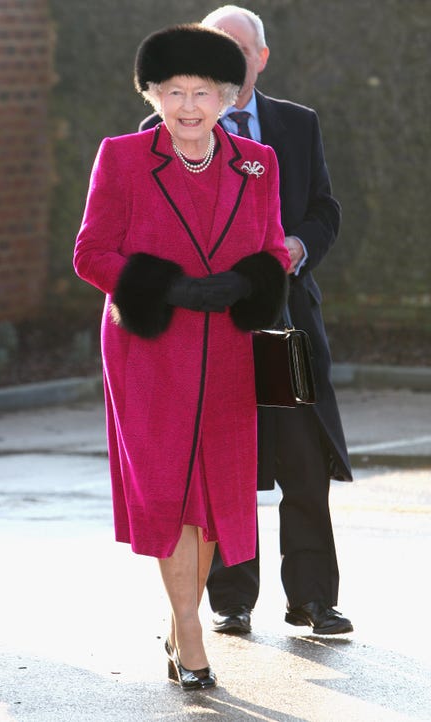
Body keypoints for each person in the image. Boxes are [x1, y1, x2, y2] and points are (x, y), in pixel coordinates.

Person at [73, 23, 290, 690]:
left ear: (229, 97)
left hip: (227, 347)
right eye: (174, 92)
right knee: (168, 485)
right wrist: (162, 286)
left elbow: (277, 250)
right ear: (154, 94)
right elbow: (90, 253)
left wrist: (247, 281)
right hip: (149, 352)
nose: (188, 107)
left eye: (203, 93)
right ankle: (190, 633)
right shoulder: (122, 156)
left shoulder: (259, 162)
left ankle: (179, 618)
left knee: (214, 492)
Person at [140, 4, 354, 637]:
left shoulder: (298, 125)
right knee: (222, 466)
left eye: (240, 48)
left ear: (261, 58)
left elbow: (325, 208)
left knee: (304, 466)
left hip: (286, 326)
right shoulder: (164, 128)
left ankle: (313, 599)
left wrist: (299, 244)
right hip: (207, 332)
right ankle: (231, 600)